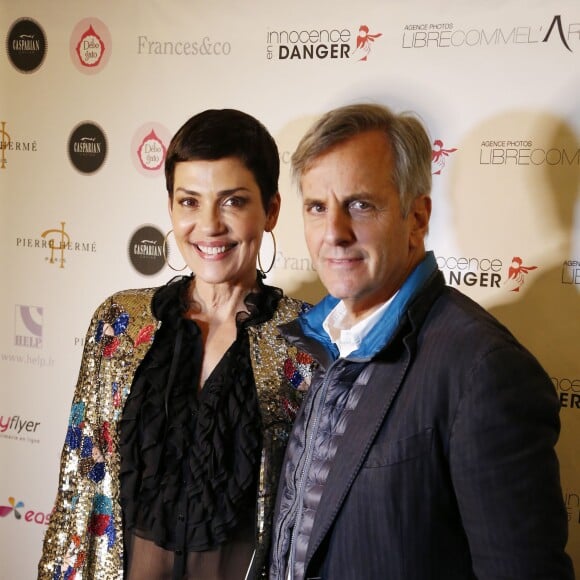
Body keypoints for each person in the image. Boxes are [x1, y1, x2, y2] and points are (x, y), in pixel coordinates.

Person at [269, 103, 574, 579]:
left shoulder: (483, 370)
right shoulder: (324, 341)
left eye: (359, 205)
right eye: (316, 207)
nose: (334, 233)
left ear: (416, 216)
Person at [38, 109, 314, 580]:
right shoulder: (118, 324)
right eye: (189, 201)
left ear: (270, 210)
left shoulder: (308, 344)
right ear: (170, 207)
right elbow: (78, 491)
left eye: (232, 201)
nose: (209, 226)